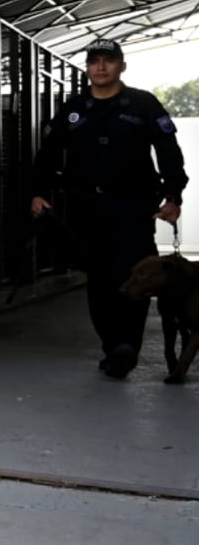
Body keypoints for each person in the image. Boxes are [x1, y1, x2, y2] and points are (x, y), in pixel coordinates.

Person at [30, 38, 186, 379]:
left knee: (138, 276)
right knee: (99, 281)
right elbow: (49, 154)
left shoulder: (143, 104)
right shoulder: (73, 109)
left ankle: (127, 345)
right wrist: (38, 192)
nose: (101, 67)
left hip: (133, 209)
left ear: (122, 66)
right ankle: (113, 347)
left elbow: (168, 150)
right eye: (94, 61)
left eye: (108, 61)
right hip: (87, 210)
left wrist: (173, 196)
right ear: (88, 68)